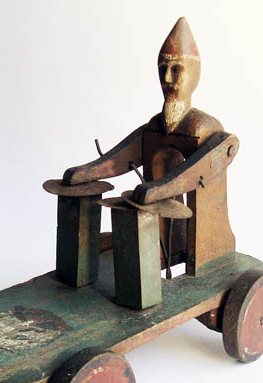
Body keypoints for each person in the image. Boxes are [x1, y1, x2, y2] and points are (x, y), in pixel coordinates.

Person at [63, 17, 224, 267]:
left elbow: (195, 172)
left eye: (176, 69)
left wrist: (156, 189)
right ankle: (160, 248)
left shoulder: (204, 128)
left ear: (194, 75)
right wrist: (86, 173)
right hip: (162, 224)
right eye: (163, 69)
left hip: (207, 247)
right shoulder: (156, 125)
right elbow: (125, 155)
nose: (167, 78)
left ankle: (176, 249)